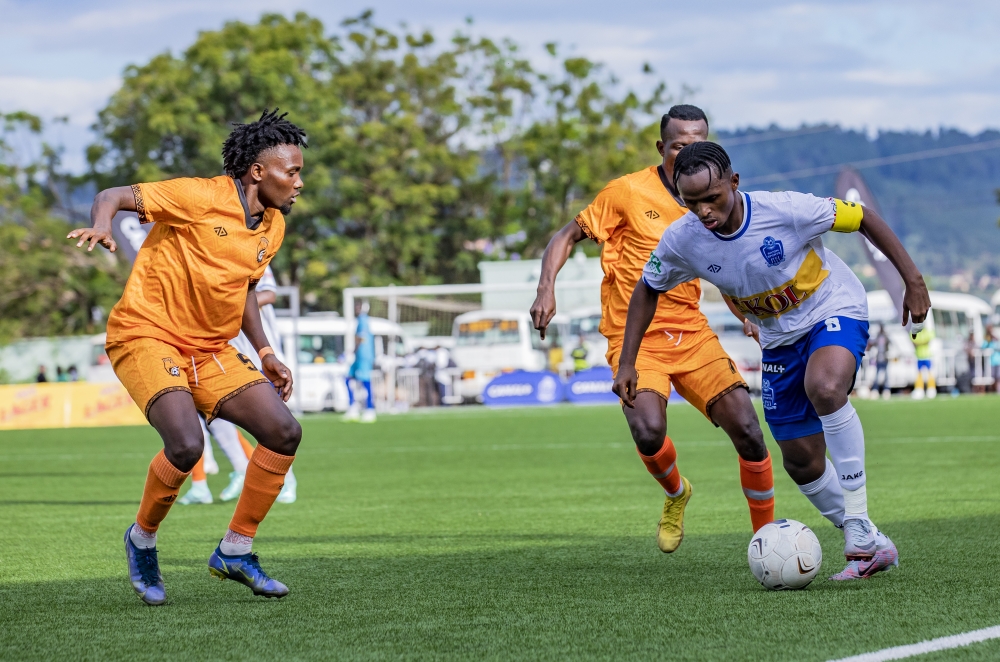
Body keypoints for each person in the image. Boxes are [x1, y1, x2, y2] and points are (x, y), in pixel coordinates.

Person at [617, 141, 930, 580]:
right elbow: (647, 287)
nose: (704, 211)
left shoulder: (786, 209)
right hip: (779, 339)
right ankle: (873, 543)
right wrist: (627, 362)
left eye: (713, 198)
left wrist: (912, 281)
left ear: (734, 183)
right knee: (800, 461)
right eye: (692, 202)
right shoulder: (683, 239)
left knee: (824, 387)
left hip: (831, 308)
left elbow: (864, 218)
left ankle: (857, 524)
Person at [68, 109, 306, 605]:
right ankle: (142, 539)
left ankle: (236, 550)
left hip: (212, 348)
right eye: (293, 171)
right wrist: (101, 224)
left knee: (284, 432)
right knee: (185, 443)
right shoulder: (200, 195)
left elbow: (244, 289)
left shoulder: (273, 226)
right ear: (258, 171)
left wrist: (264, 351)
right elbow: (112, 196)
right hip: (146, 334)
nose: (299, 181)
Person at [531, 105, 775, 554]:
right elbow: (566, 235)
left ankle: (768, 538)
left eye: (697, 144)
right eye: (679, 146)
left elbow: (722, 264)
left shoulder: (711, 197)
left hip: (692, 334)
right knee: (647, 430)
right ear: (662, 148)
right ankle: (676, 492)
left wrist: (747, 318)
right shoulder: (626, 192)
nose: (687, 154)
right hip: (636, 339)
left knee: (748, 428)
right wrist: (546, 288)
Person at [344, 300, 377, 422]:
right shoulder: (360, 320)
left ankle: (370, 409)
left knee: (365, 381)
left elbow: (360, 338)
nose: (356, 308)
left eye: (359, 306)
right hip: (359, 356)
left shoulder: (363, 319)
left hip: (364, 356)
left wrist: (352, 350)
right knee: (348, 378)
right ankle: (353, 407)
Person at [911, 326, 936, 399]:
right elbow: (914, 342)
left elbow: (928, 341)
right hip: (919, 356)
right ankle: (919, 390)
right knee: (919, 374)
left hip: (927, 356)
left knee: (930, 373)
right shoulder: (915, 332)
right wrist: (922, 343)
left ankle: (931, 389)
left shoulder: (927, 331)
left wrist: (920, 343)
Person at [867, 324, 890, 399]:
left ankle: (886, 391)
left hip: (885, 359)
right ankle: (875, 390)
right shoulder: (878, 337)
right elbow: (872, 344)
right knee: (877, 376)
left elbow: (890, 345)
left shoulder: (886, 337)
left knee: (886, 376)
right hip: (879, 359)